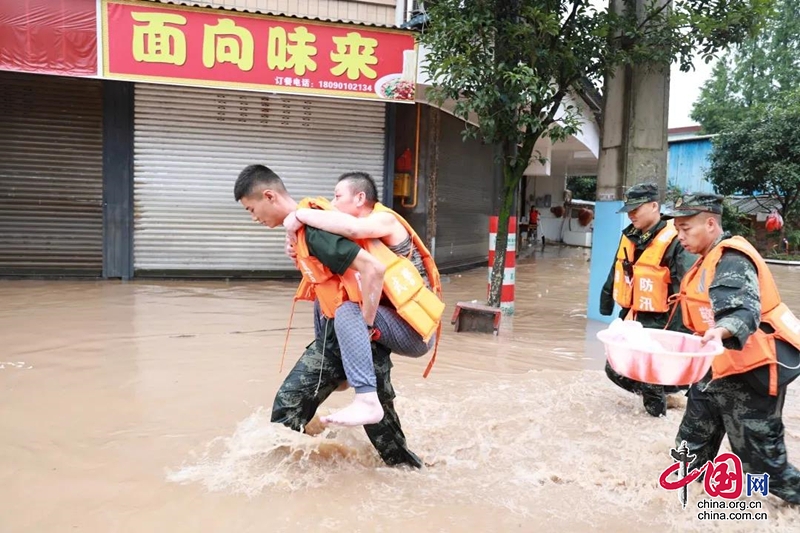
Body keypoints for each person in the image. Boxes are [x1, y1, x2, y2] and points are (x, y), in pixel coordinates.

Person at [233, 164, 423, 468]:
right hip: (350, 337)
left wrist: (365, 325)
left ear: (269, 195)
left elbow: (370, 271)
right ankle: (409, 474)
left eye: (251, 209)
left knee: (287, 409)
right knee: (382, 427)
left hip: (355, 331)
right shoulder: (305, 230)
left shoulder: (314, 231)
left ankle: (290, 485)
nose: (254, 217)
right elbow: (326, 293)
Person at [664, 193, 800, 503]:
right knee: (688, 453)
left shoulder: (732, 259)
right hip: (713, 370)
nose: (679, 236)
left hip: (749, 375)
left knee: (764, 472)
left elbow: (743, 310)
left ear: (711, 224)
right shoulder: (704, 260)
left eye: (686, 228)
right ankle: (686, 513)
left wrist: (721, 331)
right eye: (677, 229)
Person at [282, 172, 443, 426]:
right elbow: (327, 276)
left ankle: (366, 401)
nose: (333, 205)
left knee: (347, 308)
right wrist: (296, 246)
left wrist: (298, 215)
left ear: (359, 198)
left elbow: (351, 228)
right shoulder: (350, 235)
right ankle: (339, 369)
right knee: (326, 298)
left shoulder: (385, 220)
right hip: (388, 319)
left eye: (337, 197)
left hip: (414, 332)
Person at [599, 183, 697, 417]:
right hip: (634, 320)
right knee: (614, 368)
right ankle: (665, 398)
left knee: (649, 376)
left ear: (654, 206)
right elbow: (616, 272)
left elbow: (689, 290)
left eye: (636, 208)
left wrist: (686, 333)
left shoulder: (675, 241)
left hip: (664, 323)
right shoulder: (630, 237)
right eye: (629, 210)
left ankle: (655, 422)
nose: (631, 214)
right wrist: (606, 304)